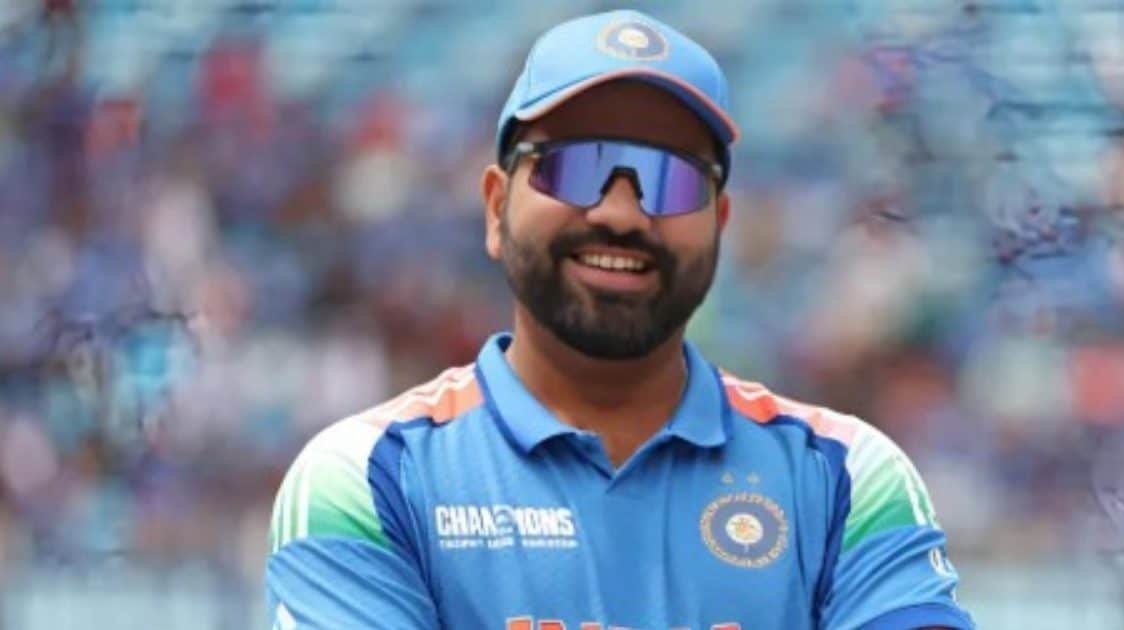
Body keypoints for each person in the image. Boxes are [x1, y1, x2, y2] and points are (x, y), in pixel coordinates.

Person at [265, 9, 975, 630]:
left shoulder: (847, 477)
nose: (620, 212)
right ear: (496, 207)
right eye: (573, 167)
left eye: (672, 178)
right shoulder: (368, 479)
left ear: (720, 222)